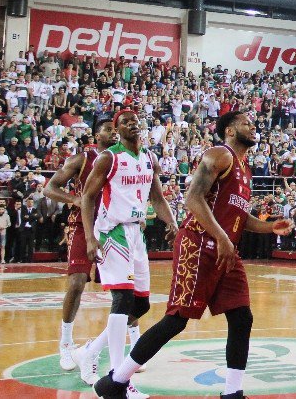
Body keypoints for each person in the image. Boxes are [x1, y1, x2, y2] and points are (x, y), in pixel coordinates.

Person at [94, 111, 293, 399]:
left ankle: (232, 392)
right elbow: (192, 199)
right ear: (229, 131)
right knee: (176, 319)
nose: (252, 126)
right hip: (198, 243)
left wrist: (270, 226)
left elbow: (239, 216)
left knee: (242, 317)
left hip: (225, 249)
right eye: (245, 123)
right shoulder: (219, 155)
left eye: (253, 122)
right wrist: (222, 237)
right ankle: (116, 382)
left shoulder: (246, 169)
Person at [82, 110, 177, 399]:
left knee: (142, 305)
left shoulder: (149, 158)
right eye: (124, 121)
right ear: (116, 129)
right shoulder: (108, 158)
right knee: (122, 299)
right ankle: (117, 379)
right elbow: (87, 196)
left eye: (135, 119)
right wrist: (89, 237)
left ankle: (90, 351)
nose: (132, 123)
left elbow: (157, 198)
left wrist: (172, 222)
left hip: (137, 232)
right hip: (112, 232)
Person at [44, 118, 140, 379]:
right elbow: (49, 188)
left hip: (113, 227)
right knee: (76, 283)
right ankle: (66, 343)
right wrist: (73, 198)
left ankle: (135, 340)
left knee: (124, 289)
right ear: (96, 133)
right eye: (107, 129)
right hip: (83, 226)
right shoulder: (82, 159)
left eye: (114, 129)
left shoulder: (122, 158)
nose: (112, 132)